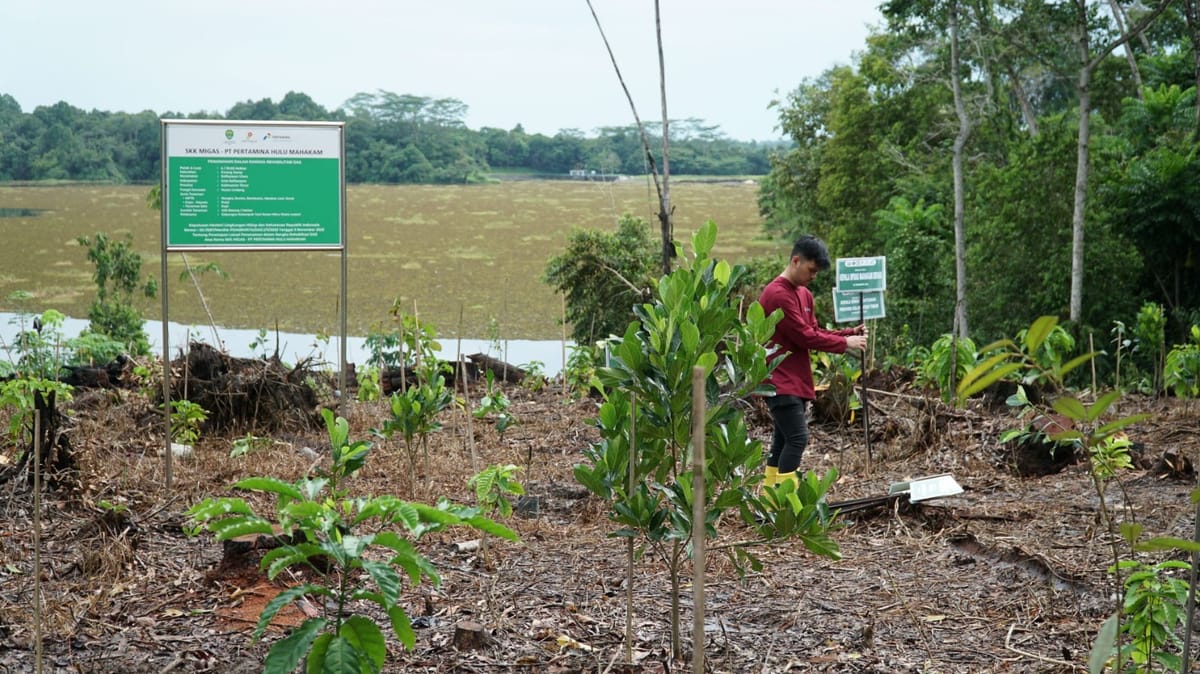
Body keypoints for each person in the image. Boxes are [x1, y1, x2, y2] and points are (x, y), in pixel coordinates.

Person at [758, 235, 867, 489]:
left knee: (782, 440)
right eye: (811, 270)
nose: (813, 276)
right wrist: (844, 344)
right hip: (779, 380)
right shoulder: (777, 294)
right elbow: (804, 337)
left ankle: (769, 500)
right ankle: (785, 503)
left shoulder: (805, 295)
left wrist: (849, 333)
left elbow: (815, 330)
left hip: (796, 381)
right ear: (796, 261)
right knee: (797, 439)